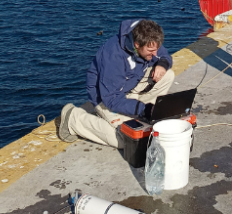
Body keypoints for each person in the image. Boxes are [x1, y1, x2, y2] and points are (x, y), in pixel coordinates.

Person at [55, 19, 175, 147]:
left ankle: (138, 110)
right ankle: (73, 119)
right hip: (106, 97)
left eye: (156, 49)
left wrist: (162, 65)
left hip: (130, 85)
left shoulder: (149, 39)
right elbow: (112, 99)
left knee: (167, 74)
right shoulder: (113, 57)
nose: (155, 53)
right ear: (137, 44)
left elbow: (163, 55)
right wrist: (143, 109)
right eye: (151, 51)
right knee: (128, 140)